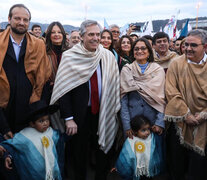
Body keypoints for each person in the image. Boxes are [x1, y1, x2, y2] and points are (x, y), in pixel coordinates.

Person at [50, 20, 120, 180]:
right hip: (78, 115)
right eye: (91, 34)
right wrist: (68, 118)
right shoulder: (70, 57)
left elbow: (114, 84)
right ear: (81, 36)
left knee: (103, 152)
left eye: (98, 34)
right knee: (79, 153)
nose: (96, 38)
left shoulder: (107, 56)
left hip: (103, 111)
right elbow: (64, 90)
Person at [0, 4, 51, 138]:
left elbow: (43, 79)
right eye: (17, 18)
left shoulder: (39, 45)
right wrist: (3, 126)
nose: (21, 22)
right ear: (9, 19)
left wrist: (38, 116)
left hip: (29, 110)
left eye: (25, 20)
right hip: (3, 111)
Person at [165, 29, 207, 180]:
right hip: (181, 123)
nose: (188, 48)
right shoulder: (176, 64)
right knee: (177, 166)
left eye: (194, 45)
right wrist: (186, 114)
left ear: (205, 47)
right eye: (186, 45)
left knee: (199, 168)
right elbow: (171, 91)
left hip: (205, 125)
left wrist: (203, 115)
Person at [0, 100, 64, 180]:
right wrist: (8, 156)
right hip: (33, 174)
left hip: (52, 173)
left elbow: (60, 145)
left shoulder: (52, 133)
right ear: (32, 124)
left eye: (47, 120)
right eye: (41, 121)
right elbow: (11, 146)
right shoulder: (25, 136)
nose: (45, 123)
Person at [120, 37, 165, 139]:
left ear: (149, 52)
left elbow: (162, 99)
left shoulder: (158, 70)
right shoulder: (127, 70)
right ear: (133, 52)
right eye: (136, 49)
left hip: (153, 123)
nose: (140, 51)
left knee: (154, 153)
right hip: (133, 124)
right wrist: (127, 126)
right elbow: (123, 100)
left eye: (143, 48)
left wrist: (159, 122)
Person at [116, 115, 164, 180]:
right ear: (135, 131)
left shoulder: (152, 138)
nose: (147, 132)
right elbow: (126, 155)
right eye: (143, 130)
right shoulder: (131, 141)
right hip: (135, 172)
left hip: (148, 171)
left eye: (148, 129)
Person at [45, 21, 68, 99]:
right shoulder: (44, 52)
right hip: (49, 94)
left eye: (59, 32)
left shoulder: (70, 52)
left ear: (63, 35)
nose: (56, 35)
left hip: (67, 93)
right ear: (49, 35)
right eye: (53, 32)